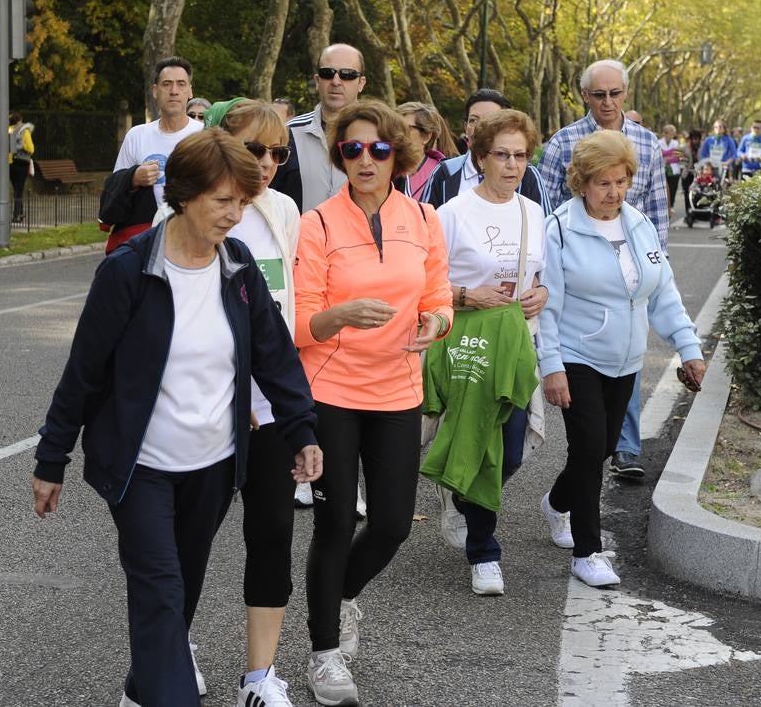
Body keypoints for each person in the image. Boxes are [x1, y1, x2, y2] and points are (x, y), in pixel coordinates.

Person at [32, 129, 323, 707]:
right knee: (161, 593)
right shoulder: (127, 272)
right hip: (141, 468)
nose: (235, 215)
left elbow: (274, 355)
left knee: (179, 591)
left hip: (213, 466)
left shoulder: (237, 266)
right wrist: (52, 457)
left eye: (242, 202)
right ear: (184, 195)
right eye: (224, 202)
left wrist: (301, 429)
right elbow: (84, 372)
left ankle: (143, 690)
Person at [294, 100, 453, 705]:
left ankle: (339, 597)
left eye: (379, 149)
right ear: (340, 155)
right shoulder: (318, 224)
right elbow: (301, 322)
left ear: (398, 156)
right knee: (335, 522)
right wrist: (340, 316)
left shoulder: (424, 220)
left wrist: (435, 323)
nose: (366, 159)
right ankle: (325, 653)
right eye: (353, 149)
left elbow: (439, 297)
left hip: (398, 389)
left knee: (389, 527)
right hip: (331, 390)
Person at [157, 100, 303, 707]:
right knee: (189, 541)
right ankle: (175, 648)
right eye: (253, 150)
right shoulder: (195, 215)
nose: (266, 164)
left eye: (277, 154)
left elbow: (285, 311)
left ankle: (259, 677)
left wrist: (296, 411)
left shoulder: (285, 211)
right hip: (212, 411)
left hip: (269, 412)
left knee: (272, 534)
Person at [537, 130, 704, 589]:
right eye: (603, 183)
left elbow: (662, 292)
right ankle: (588, 552)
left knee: (606, 447)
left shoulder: (638, 224)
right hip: (576, 355)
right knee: (590, 449)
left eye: (621, 181)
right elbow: (546, 306)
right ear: (582, 182)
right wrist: (550, 365)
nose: (613, 192)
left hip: (627, 359)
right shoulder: (559, 229)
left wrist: (688, 348)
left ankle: (556, 501)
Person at [423, 109, 547, 596]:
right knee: (484, 440)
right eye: (502, 155)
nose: (512, 165)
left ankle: (456, 486)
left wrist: (541, 294)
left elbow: (539, 277)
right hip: (467, 338)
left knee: (511, 448)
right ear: (480, 158)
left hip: (515, 338)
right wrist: (464, 295)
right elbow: (426, 280)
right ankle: (484, 552)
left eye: (520, 156)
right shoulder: (451, 214)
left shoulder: (532, 212)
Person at [535, 59, 668, 481]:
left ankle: (624, 447)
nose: (607, 102)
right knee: (590, 427)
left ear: (626, 94)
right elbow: (549, 214)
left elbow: (658, 216)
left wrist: (656, 274)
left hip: (631, 278)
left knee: (626, 363)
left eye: (615, 93)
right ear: (585, 97)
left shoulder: (648, 145)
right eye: (598, 94)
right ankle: (607, 454)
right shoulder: (563, 143)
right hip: (580, 278)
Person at [100, 56, 203, 253]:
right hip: (145, 239)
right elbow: (114, 188)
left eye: (181, 84)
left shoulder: (205, 134)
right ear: (155, 91)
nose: (174, 91)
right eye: (167, 84)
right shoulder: (136, 135)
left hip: (193, 237)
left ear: (190, 91)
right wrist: (133, 177)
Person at [270, 42, 367, 212]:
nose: (336, 81)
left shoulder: (382, 137)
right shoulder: (287, 134)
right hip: (299, 238)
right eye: (327, 73)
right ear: (317, 80)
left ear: (361, 83)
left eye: (347, 75)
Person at [422, 90, 548, 212]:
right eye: (473, 120)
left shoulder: (527, 175)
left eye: (491, 120)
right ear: (465, 127)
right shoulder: (445, 173)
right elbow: (426, 224)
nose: (479, 127)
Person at [397, 102, 455, 201]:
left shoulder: (444, 173)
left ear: (427, 136)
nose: (398, 133)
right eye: (396, 127)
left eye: (407, 128)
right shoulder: (385, 167)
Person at [8, 112, 36, 223]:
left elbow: (10, 147)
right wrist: (24, 146)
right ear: (20, 120)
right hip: (22, 163)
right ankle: (16, 215)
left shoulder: (9, 130)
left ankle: (20, 212)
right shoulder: (25, 131)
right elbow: (30, 148)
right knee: (19, 190)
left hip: (11, 162)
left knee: (16, 189)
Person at [659, 124, 684, 218]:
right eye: (670, 133)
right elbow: (659, 155)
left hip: (674, 170)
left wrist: (666, 157)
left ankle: (671, 205)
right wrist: (670, 154)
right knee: (663, 189)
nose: (672, 135)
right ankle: (664, 207)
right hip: (663, 169)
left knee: (673, 189)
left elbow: (677, 157)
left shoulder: (676, 143)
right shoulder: (658, 142)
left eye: (673, 133)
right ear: (665, 133)